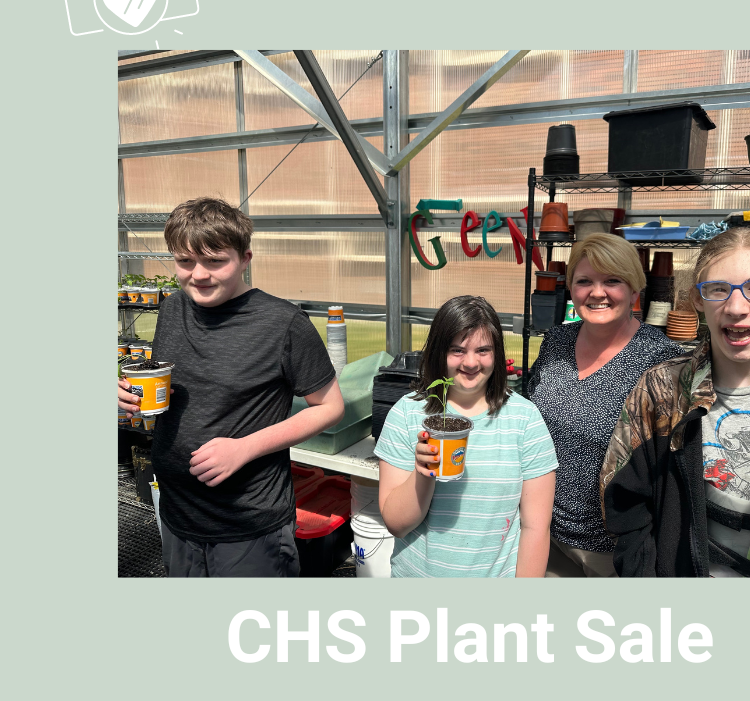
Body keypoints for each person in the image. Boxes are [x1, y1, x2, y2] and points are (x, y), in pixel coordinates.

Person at [117, 197, 344, 577]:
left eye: (215, 261)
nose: (199, 275)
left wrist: (244, 448)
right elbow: (178, 385)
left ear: (245, 258)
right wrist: (130, 393)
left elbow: (330, 406)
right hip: (177, 511)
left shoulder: (283, 324)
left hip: (248, 523)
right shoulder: (173, 309)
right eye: (185, 262)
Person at [601, 227, 750, 578]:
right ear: (698, 300)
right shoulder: (664, 390)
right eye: (718, 289)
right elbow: (626, 504)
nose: (736, 307)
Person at [527, 234, 684, 577]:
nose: (597, 292)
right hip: (541, 532)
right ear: (571, 289)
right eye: (584, 281)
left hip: (613, 550)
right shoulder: (556, 342)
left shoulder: (661, 360)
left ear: (634, 291)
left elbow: (670, 467)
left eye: (612, 280)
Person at [376, 296, 557, 577]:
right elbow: (396, 524)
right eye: (457, 350)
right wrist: (423, 473)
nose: (471, 362)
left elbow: (535, 528)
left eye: (483, 350)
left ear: (496, 353)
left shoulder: (525, 420)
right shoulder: (407, 415)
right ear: (439, 352)